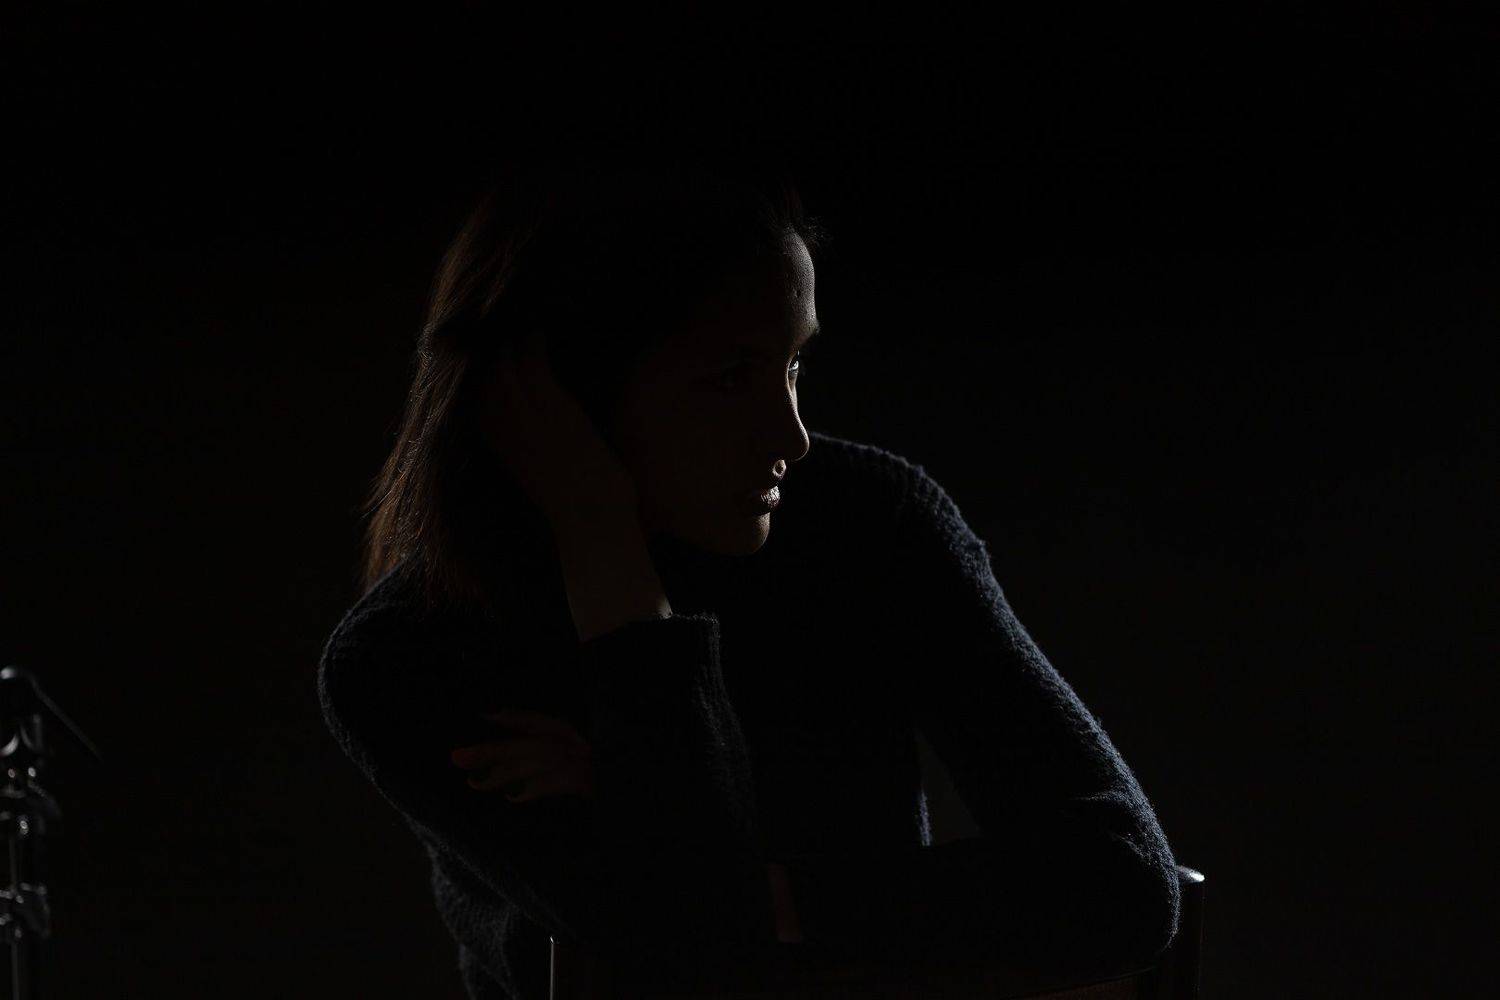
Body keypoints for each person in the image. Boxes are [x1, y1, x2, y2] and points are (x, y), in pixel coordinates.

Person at [316, 146, 1182, 999]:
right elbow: (693, 960)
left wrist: (644, 798)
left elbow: (1125, 882)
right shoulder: (405, 659)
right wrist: (610, 566)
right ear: (562, 388)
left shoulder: (867, 527)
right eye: (732, 377)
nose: (791, 436)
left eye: (794, 365)